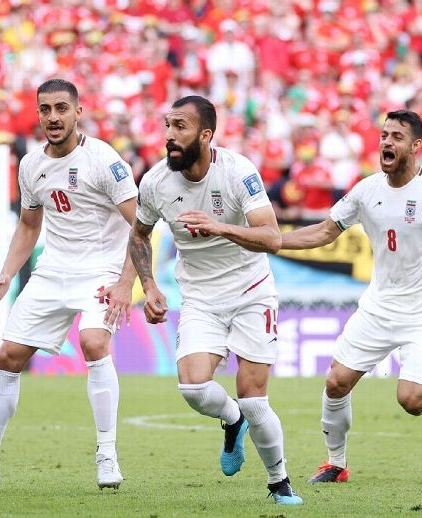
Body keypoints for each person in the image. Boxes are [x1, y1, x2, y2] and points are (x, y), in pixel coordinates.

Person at [279, 110, 422, 484]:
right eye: (384, 135)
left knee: (411, 401)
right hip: (378, 306)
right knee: (336, 382)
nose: (386, 142)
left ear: (416, 146)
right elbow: (325, 232)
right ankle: (335, 464)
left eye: (397, 137)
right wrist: (276, 242)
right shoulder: (366, 190)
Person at [0, 79, 137, 493]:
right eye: (46, 109)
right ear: (38, 113)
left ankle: (107, 454)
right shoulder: (31, 164)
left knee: (93, 342)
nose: (53, 117)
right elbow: (29, 225)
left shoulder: (103, 159)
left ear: (78, 112)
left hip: (102, 269)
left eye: (61, 109)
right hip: (53, 270)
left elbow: (140, 225)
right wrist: (4, 277)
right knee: (8, 356)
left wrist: (127, 282)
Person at [128, 95, 302, 506]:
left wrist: (220, 227)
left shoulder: (239, 172)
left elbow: (272, 238)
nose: (170, 135)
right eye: (168, 125)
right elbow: (138, 234)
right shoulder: (154, 182)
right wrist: (150, 285)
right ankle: (232, 419)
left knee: (255, 398)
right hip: (201, 297)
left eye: (181, 127)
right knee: (192, 388)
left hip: (251, 292)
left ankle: (279, 483)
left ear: (206, 135)